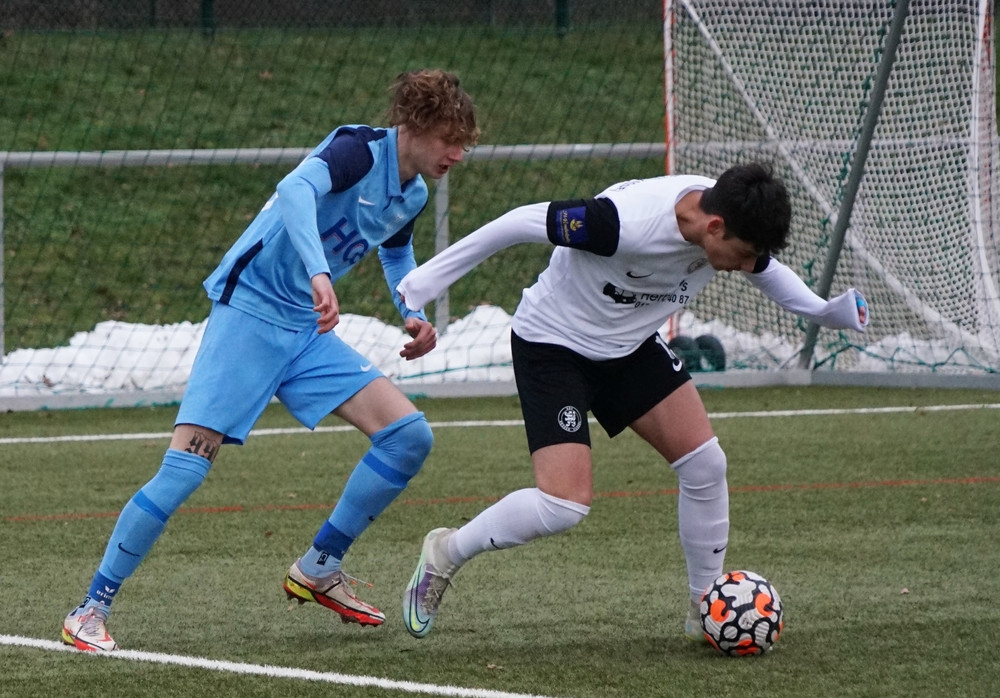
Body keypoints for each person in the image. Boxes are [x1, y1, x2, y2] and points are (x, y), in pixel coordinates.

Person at [61, 69, 480, 652]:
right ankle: (89, 609)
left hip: (306, 332)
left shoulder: (412, 194)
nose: (457, 154)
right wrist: (319, 273)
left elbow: (396, 252)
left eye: (464, 144)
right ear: (415, 125)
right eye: (448, 139)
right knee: (185, 470)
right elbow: (294, 190)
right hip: (250, 315)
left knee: (407, 437)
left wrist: (410, 308)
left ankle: (318, 567)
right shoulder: (358, 151)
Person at [395, 163, 869, 640]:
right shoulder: (622, 222)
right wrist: (419, 288)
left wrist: (827, 311)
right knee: (563, 505)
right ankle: (446, 551)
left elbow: (768, 271)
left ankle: (705, 610)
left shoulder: (727, 217)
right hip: (553, 345)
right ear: (714, 227)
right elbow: (516, 222)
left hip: (629, 346)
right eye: (743, 255)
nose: (747, 267)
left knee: (706, 466)